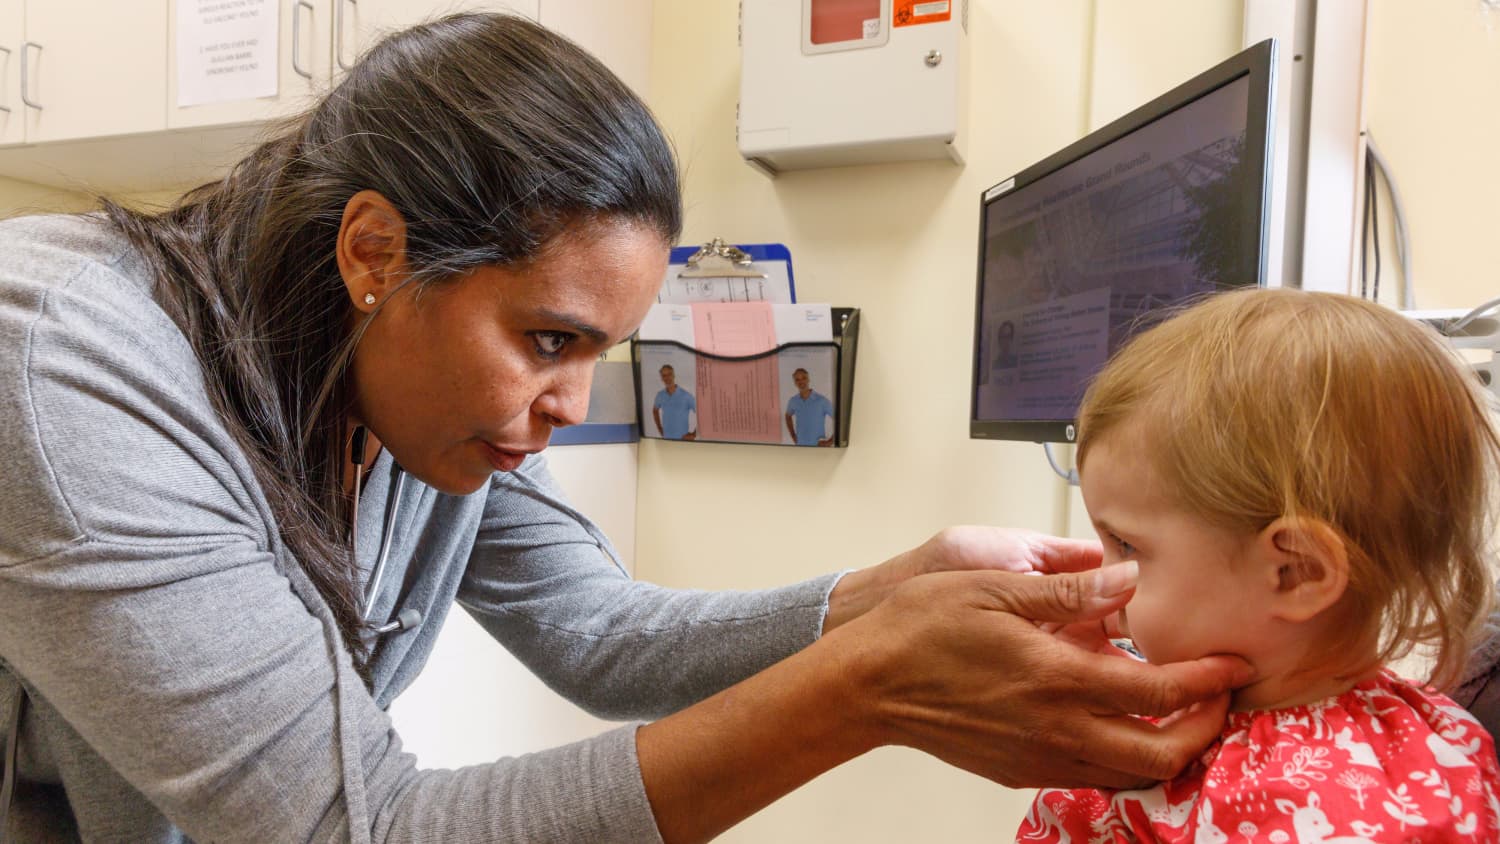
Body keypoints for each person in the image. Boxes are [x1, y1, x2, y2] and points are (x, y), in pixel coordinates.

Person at [0, 13, 1254, 843]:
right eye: (549, 340)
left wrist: (886, 596)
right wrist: (862, 691)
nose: (571, 404)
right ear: (375, 252)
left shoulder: (403, 394)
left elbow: (600, 633)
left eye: (602, 352)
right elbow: (355, 828)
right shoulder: (69, 361)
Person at [1018, 288, 1500, 842]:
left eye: (1127, 547)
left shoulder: (1330, 810)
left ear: (1297, 573)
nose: (1100, 578)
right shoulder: (1440, 733)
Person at [784, 367, 834, 446]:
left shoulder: (821, 401)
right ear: (794, 382)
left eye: (804, 378)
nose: (801, 382)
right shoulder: (793, 401)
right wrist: (793, 435)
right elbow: (787, 416)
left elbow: (840, 420)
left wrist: (830, 441)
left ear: (808, 379)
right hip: (800, 446)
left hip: (818, 448)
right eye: (797, 379)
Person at [651, 363, 697, 440]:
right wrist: (659, 428)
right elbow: (655, 410)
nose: (667, 378)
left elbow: (703, 415)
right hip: (666, 440)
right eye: (664, 375)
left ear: (673, 375)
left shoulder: (686, 396)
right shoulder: (660, 395)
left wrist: (694, 434)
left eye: (669, 374)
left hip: (683, 442)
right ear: (661, 378)